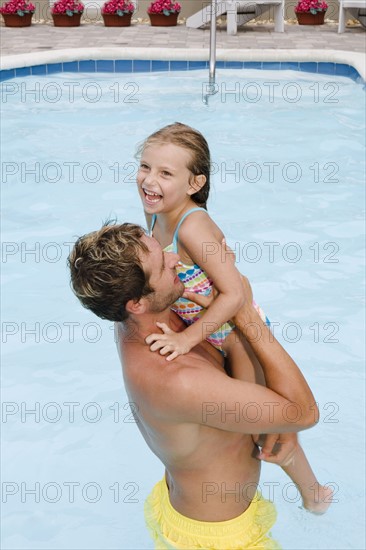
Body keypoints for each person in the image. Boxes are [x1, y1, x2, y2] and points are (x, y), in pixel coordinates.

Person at [68, 222, 323, 549]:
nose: (176, 260)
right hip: (220, 538)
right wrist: (246, 314)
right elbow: (305, 413)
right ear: (137, 304)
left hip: (185, 504)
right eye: (163, 265)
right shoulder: (178, 380)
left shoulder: (136, 319)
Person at [135, 122, 332, 514]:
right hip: (209, 328)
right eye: (145, 166)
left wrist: (187, 340)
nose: (149, 180)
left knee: (265, 423)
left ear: (195, 183)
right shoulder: (154, 211)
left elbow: (236, 294)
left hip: (235, 334)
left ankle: (313, 493)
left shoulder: (195, 227)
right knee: (244, 423)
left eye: (165, 173)